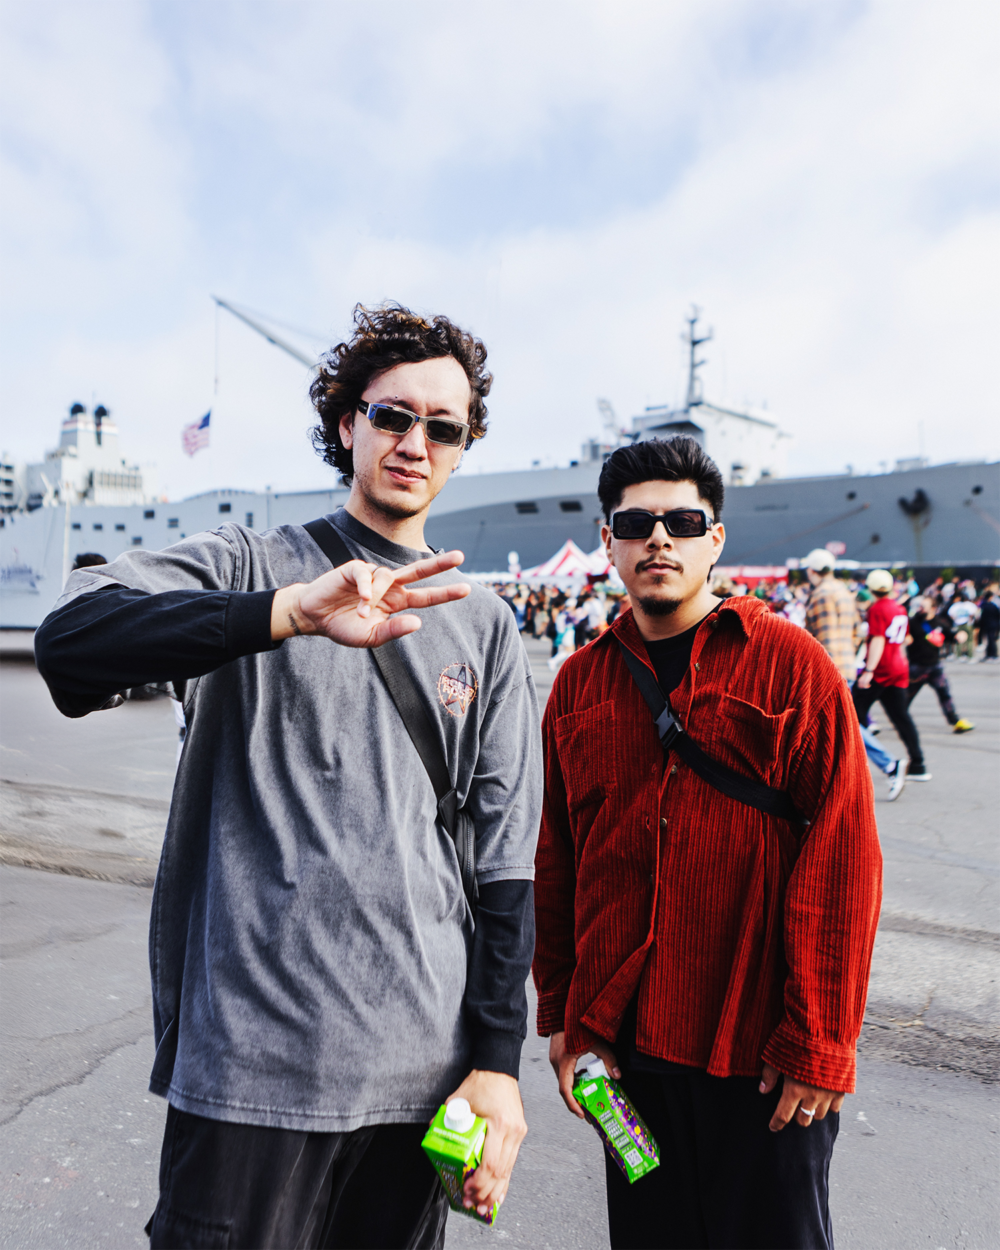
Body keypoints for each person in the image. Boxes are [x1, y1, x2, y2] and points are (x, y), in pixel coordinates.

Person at [34, 303, 542, 1250]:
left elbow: (504, 863)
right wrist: (283, 614)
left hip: (421, 1076)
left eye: (444, 427)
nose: (414, 443)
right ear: (347, 422)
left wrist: (498, 1063)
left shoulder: (485, 625)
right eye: (392, 415)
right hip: (249, 1068)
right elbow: (70, 646)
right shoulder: (250, 564)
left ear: (464, 448)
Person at [533, 436, 882, 1250]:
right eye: (637, 522)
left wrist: (821, 1041)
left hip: (759, 1052)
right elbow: (558, 863)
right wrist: (564, 1019)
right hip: (627, 1053)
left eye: (683, 521)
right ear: (610, 540)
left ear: (714, 540)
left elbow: (843, 859)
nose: (660, 538)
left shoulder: (790, 667)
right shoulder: (580, 683)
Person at [802, 548, 906, 799]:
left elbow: (821, 638)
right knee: (839, 724)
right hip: (845, 662)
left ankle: (889, 765)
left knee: (842, 724)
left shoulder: (822, 595)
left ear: (813, 571)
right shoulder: (844, 592)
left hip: (829, 666)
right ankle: (836, 780)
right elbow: (856, 632)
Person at [853, 569, 931, 782]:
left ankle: (856, 764)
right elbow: (905, 640)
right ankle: (918, 763)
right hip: (898, 667)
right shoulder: (899, 608)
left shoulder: (878, 608)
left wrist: (868, 670)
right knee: (901, 717)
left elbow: (878, 639)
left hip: (881, 668)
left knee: (851, 714)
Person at [907, 596, 974, 733]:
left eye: (923, 606)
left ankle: (955, 721)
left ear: (933, 608)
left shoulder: (939, 623)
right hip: (916, 667)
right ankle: (900, 719)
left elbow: (951, 636)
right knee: (905, 697)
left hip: (934, 667)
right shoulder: (912, 622)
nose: (920, 609)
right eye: (919, 606)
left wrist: (960, 636)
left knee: (944, 694)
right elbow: (901, 633)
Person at [948, 589, 979, 661]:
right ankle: (970, 655)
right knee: (970, 640)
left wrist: (955, 620)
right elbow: (974, 613)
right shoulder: (969, 605)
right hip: (967, 623)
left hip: (958, 623)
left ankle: (959, 655)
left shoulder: (956, 605)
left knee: (959, 640)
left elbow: (950, 614)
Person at [978, 584, 1000, 661]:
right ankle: (992, 654)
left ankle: (990, 654)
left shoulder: (983, 606)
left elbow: (980, 616)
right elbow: (998, 615)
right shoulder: (994, 606)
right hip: (994, 624)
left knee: (988, 640)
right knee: (992, 639)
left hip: (986, 625)